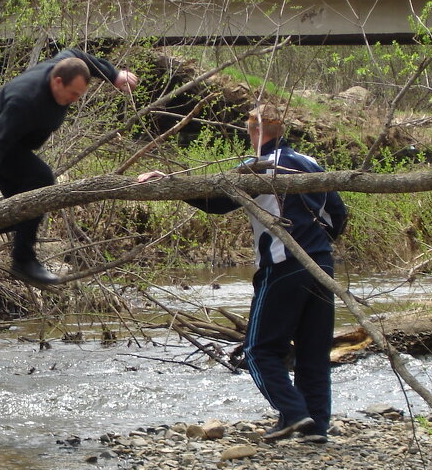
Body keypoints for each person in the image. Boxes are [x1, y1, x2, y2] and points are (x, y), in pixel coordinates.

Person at [138, 103, 347, 443]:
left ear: (254, 132)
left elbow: (215, 202)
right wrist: (318, 245)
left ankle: (295, 414)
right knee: (313, 351)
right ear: (284, 129)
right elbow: (338, 214)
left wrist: (169, 181)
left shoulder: (259, 167)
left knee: (258, 351)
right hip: (321, 265)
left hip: (282, 265)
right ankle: (315, 426)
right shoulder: (310, 163)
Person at [0, 48, 138, 286]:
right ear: (57, 82)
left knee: (23, 213)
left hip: (11, 145)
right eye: (72, 94)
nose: (75, 99)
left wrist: (114, 75)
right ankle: (23, 261)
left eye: (79, 95)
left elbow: (79, 55)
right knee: (41, 181)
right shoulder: (26, 100)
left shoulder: (64, 65)